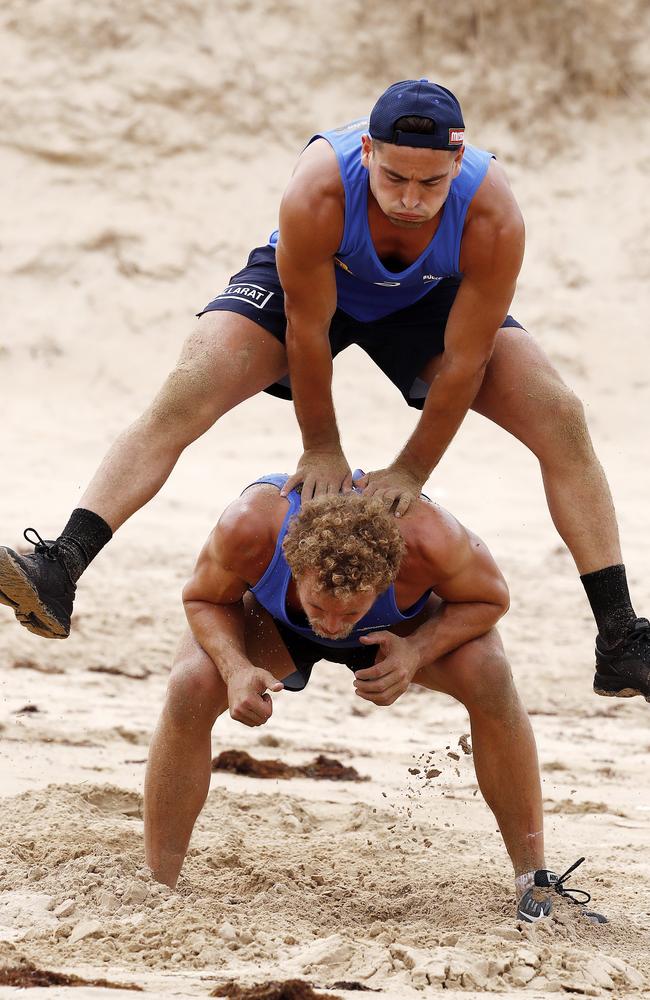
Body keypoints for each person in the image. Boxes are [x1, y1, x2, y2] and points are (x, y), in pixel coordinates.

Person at [1, 79, 647, 701]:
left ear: (458, 162)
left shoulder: (492, 212)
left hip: (428, 303)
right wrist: (320, 447)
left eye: (431, 183)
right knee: (190, 385)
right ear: (367, 152)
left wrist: (413, 468)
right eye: (394, 178)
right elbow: (308, 333)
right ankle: (63, 562)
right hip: (314, 289)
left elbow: (466, 359)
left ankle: (620, 637)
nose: (411, 199)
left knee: (560, 415)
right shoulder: (319, 188)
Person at [144, 472, 605, 924]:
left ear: (388, 575)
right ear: (295, 565)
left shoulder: (431, 539)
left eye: (348, 609)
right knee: (191, 684)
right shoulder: (249, 525)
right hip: (276, 624)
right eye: (319, 606)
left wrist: (415, 652)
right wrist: (235, 669)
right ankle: (156, 884)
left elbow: (491, 599)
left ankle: (533, 878)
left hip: (394, 631)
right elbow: (203, 598)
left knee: (489, 673)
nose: (330, 624)